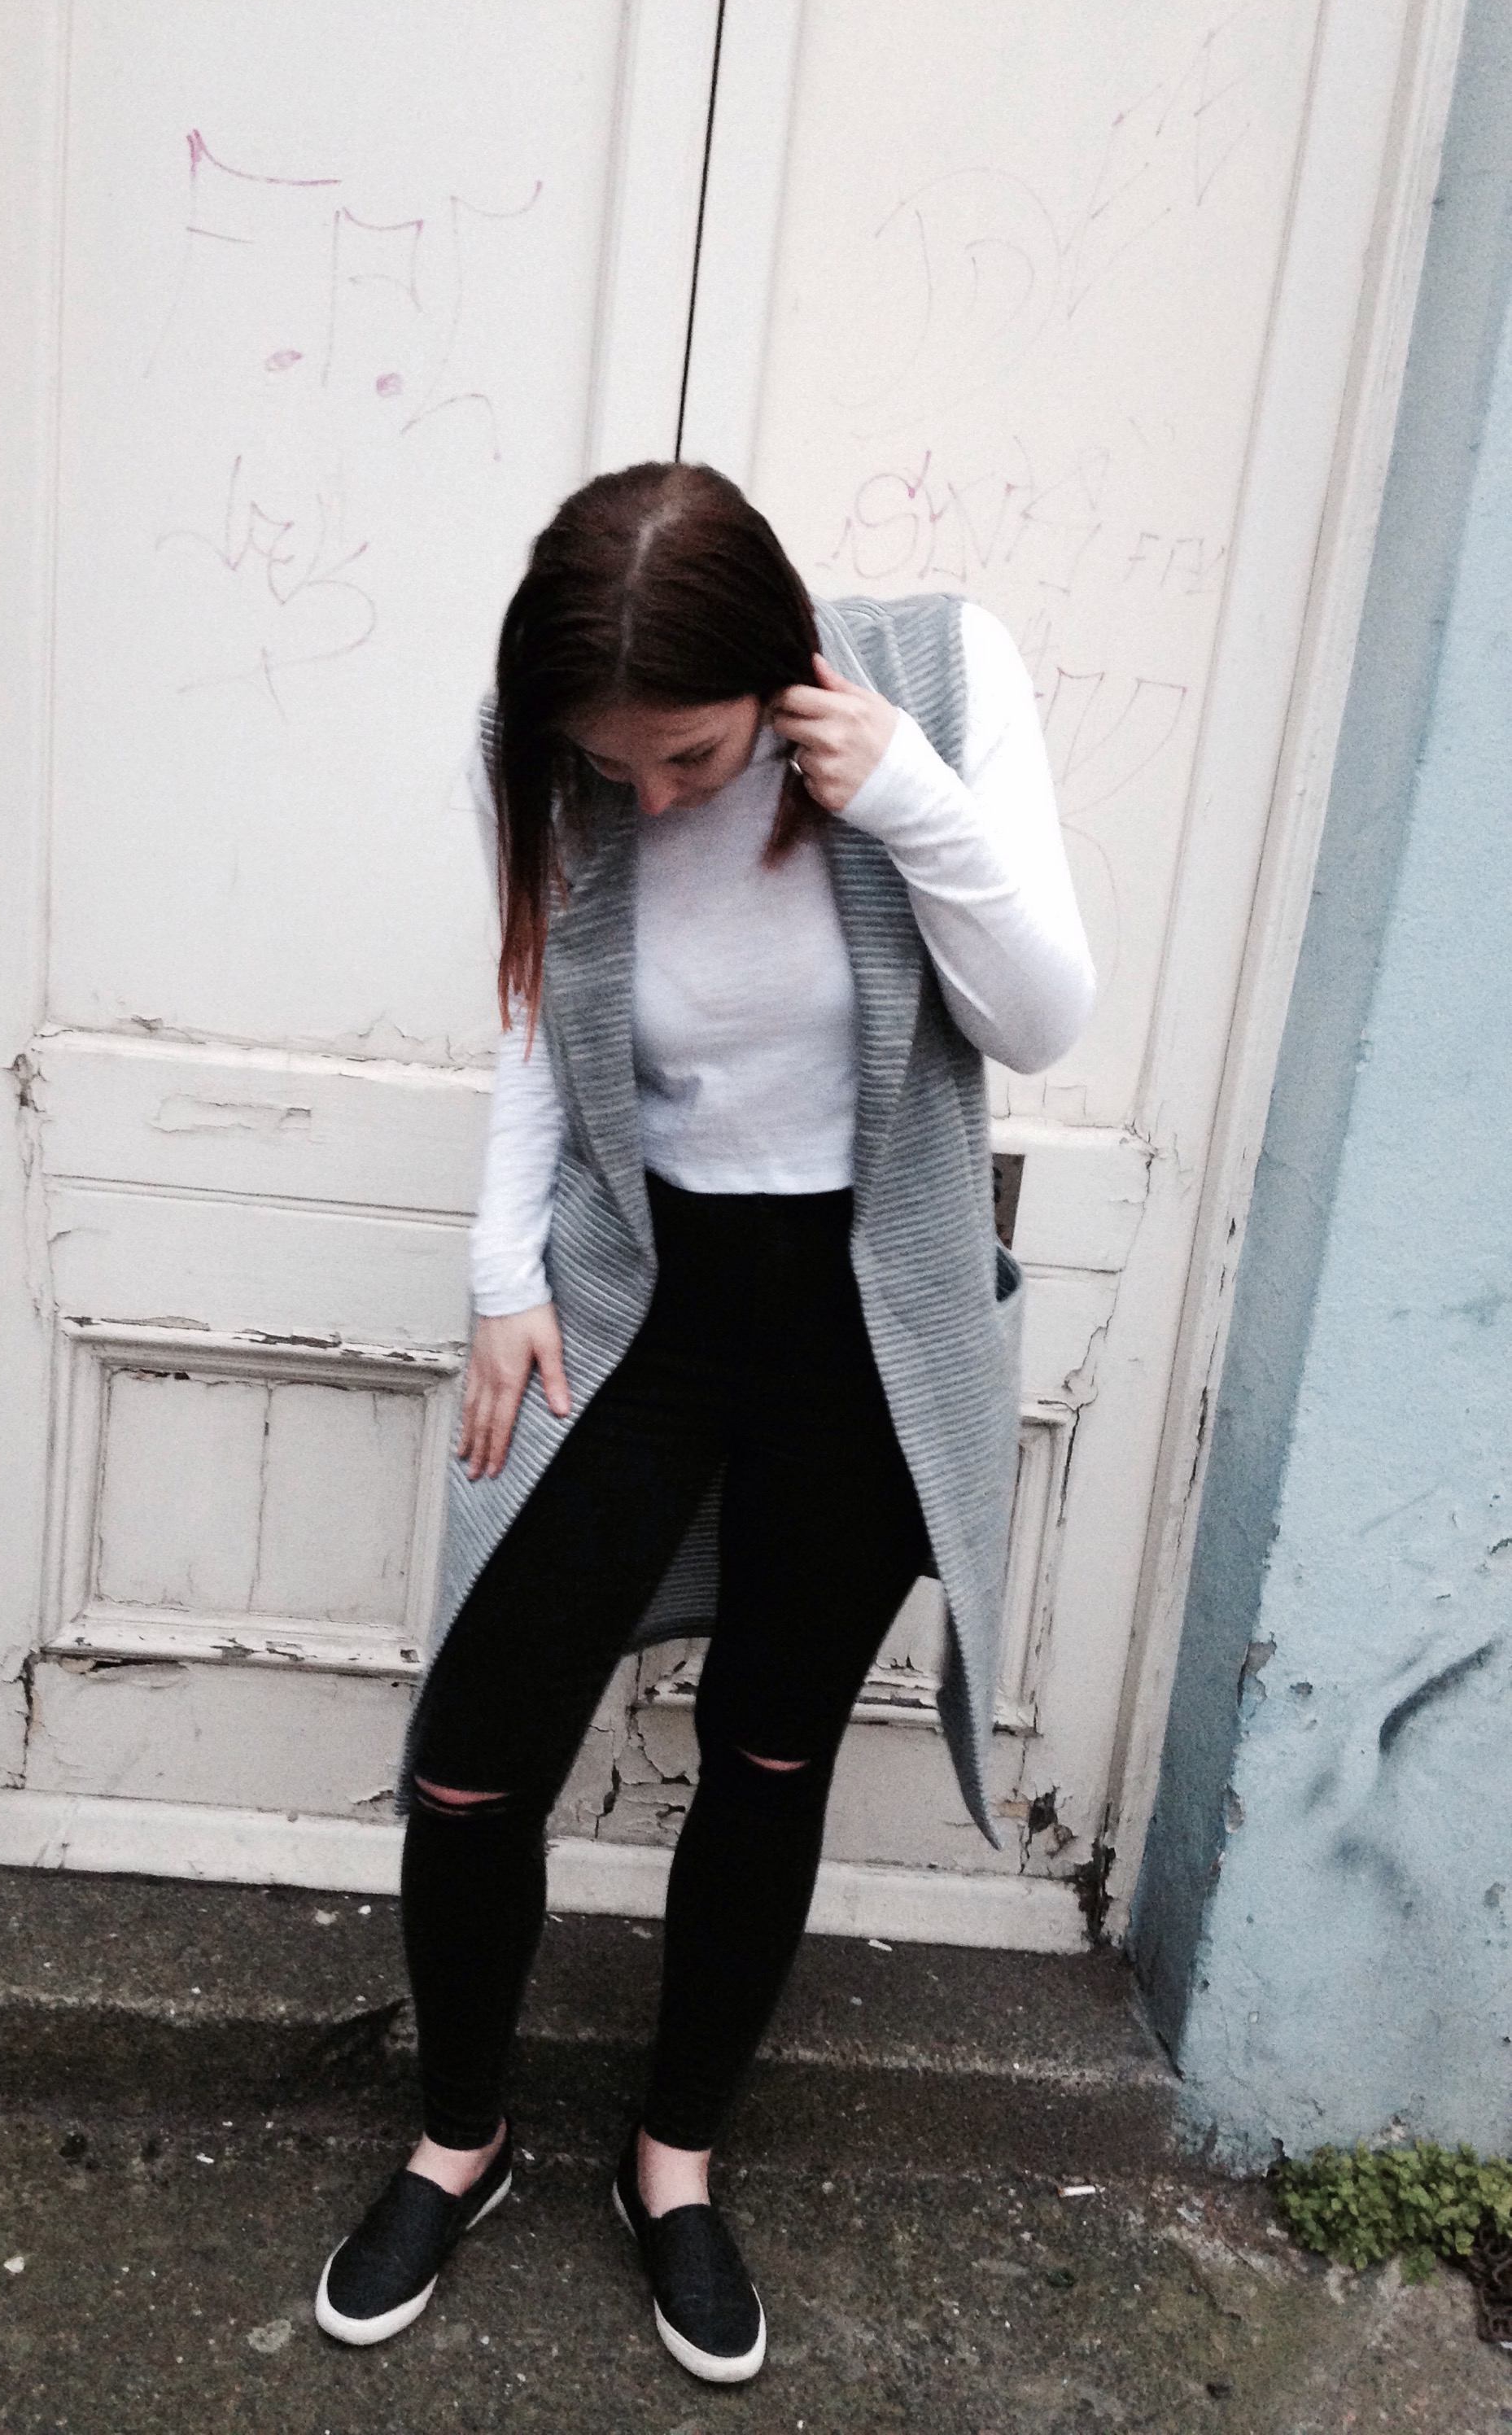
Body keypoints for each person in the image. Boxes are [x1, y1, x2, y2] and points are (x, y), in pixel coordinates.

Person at [312, 461, 1095, 2381]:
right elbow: (536, 1009)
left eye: (690, 756)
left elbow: (1040, 1017)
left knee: (766, 1752)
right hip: (634, 1296)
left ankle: (672, 2164)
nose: (648, 797)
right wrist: (503, 1274)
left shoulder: (946, 680)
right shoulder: (542, 745)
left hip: (860, 1318)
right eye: (614, 766)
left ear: (780, 669)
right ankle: (461, 2138)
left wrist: (903, 794)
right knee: (475, 1753)